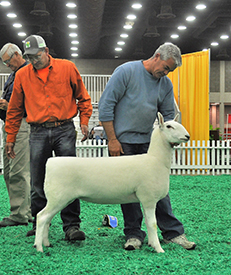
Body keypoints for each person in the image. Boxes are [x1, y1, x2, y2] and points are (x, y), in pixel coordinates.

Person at [98, 42, 196, 251]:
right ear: (157, 56)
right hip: (122, 143)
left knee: (159, 189)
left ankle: (173, 233)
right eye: (166, 67)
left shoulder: (165, 84)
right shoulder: (125, 71)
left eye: (170, 70)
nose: (166, 72)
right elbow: (106, 105)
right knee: (127, 191)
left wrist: (173, 137)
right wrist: (112, 140)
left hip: (148, 144)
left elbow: (169, 115)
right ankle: (133, 234)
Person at [5, 35, 92, 241]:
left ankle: (71, 226)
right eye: (30, 57)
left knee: (69, 179)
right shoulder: (22, 75)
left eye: (36, 56)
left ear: (46, 50)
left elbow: (83, 97)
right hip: (37, 131)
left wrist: (85, 120)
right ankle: (39, 224)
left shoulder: (67, 67)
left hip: (65, 129)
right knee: (38, 180)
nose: (34, 60)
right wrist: (11, 136)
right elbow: (15, 109)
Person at [0, 43, 32, 228]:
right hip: (11, 125)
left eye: (7, 61)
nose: (7, 65)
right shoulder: (14, 75)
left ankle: (21, 214)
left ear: (17, 55)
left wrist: (8, 105)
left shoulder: (28, 72)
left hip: (21, 125)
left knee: (19, 170)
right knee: (10, 170)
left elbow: (32, 101)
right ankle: (20, 211)